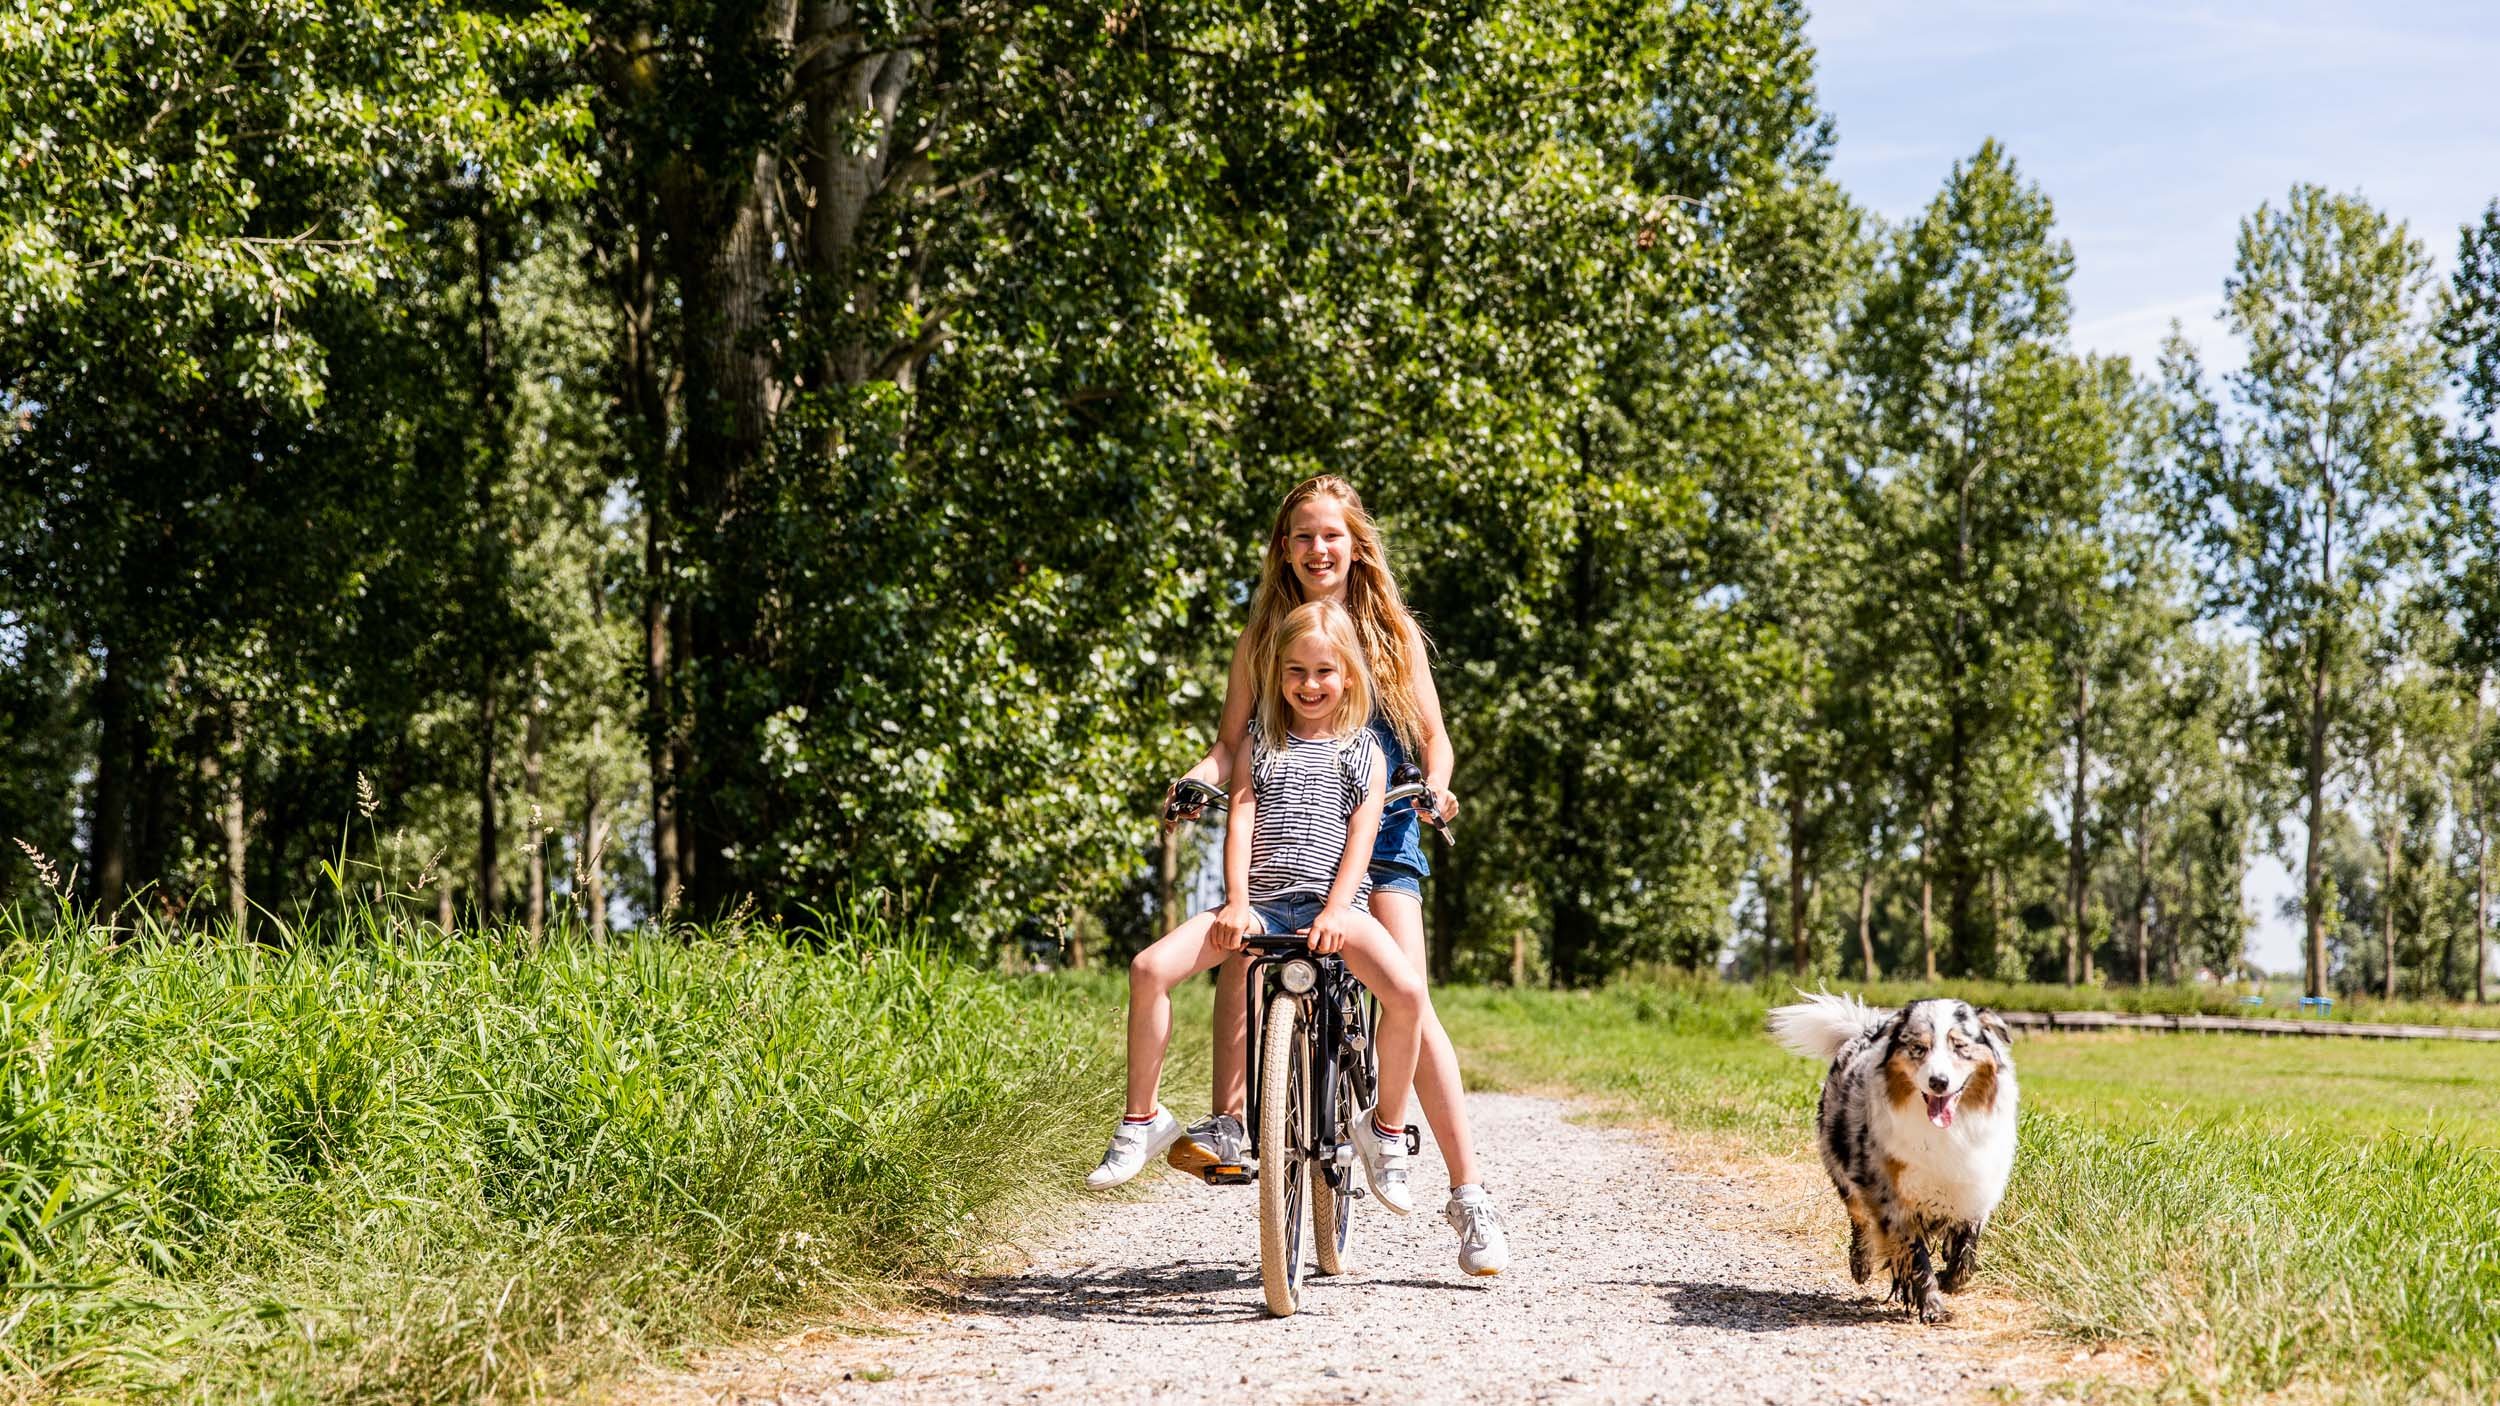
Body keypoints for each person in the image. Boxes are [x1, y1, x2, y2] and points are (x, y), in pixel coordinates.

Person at [1166, 475, 1509, 1276]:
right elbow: (1230, 747)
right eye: (1302, 536)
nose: (1318, 550)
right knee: (1240, 949)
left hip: (1382, 832)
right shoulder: (1264, 639)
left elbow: (1435, 740)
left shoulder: (1394, 633)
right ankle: (1232, 1123)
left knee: (1410, 998)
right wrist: (1195, 779)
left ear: (1357, 545)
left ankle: (1468, 1197)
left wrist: (1440, 786)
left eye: (1332, 535)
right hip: (1290, 835)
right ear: (1284, 549)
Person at [1087, 598, 1430, 1217]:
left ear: (1348, 675)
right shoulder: (1261, 741)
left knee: (1407, 995)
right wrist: (1239, 903)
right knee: (1148, 969)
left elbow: (1361, 835)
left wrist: (1334, 911)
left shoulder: (1365, 753)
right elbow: (1240, 817)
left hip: (1337, 910)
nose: (1309, 684)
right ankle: (1143, 1120)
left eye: (1324, 672)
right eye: (1295, 672)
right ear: (1277, 675)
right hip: (1264, 906)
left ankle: (1383, 1134)